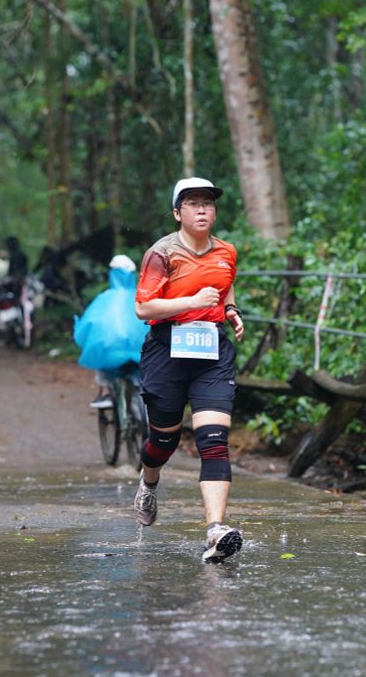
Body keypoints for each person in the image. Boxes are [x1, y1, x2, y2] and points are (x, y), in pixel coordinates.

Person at [133, 177, 246, 563]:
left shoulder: (226, 251)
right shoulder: (161, 253)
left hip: (212, 352)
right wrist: (192, 301)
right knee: (163, 442)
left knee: (214, 440)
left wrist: (230, 310)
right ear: (177, 213)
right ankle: (149, 480)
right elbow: (144, 307)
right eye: (193, 204)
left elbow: (225, 284)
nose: (202, 210)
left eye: (208, 204)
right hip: (166, 351)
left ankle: (216, 529)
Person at [73, 254, 149, 405]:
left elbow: (86, 327)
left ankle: (107, 392)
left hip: (111, 355)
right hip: (141, 354)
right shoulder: (143, 298)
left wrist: (78, 334)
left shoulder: (104, 299)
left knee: (102, 359)